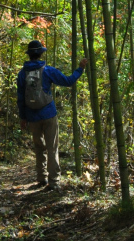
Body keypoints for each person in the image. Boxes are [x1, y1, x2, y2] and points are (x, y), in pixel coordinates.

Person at [17, 39, 87, 189]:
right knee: (52, 148)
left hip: (32, 116)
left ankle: (41, 178)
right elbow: (68, 81)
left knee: (39, 147)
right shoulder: (48, 70)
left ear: (29, 55)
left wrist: (23, 117)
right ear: (41, 54)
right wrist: (80, 69)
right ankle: (54, 181)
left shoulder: (22, 74)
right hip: (48, 114)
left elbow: (20, 98)